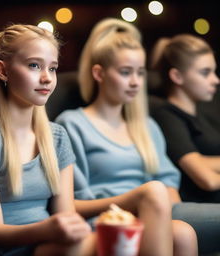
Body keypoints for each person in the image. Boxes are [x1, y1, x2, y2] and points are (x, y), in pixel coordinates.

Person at [56, 18, 198, 256]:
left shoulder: (146, 126)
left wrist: (159, 206)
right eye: (125, 72)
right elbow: (70, 205)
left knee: (183, 232)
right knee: (159, 201)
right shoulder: (71, 124)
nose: (135, 82)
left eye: (140, 73)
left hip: (152, 215)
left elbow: (168, 185)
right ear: (99, 73)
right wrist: (138, 200)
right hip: (103, 223)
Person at [0, 24, 96, 256]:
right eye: (34, 65)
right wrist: (47, 229)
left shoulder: (57, 136)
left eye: (53, 68)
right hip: (13, 249)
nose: (47, 78)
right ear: (3, 71)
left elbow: (66, 214)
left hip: (53, 244)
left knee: (178, 231)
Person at [149, 34, 220, 203]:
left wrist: (205, 162)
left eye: (214, 71)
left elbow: (202, 163)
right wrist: (202, 163)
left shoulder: (203, 114)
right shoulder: (165, 115)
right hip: (199, 206)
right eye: (205, 73)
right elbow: (206, 179)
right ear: (177, 76)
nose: (216, 80)